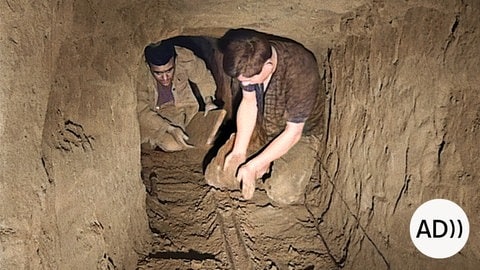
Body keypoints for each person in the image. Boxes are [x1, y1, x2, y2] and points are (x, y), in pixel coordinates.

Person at [206, 28, 325, 205]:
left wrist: (254, 165)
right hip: (263, 126)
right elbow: (248, 102)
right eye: (242, 81)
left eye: (250, 81)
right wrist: (239, 152)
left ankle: (269, 168)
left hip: (299, 136)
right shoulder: (251, 60)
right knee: (216, 176)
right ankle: (258, 160)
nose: (245, 84)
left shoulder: (302, 69)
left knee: (282, 192)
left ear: (268, 66)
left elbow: (293, 133)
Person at [138, 40, 218, 152]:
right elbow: (141, 111)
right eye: (158, 73)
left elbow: (203, 76)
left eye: (169, 70)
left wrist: (208, 101)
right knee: (171, 145)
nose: (165, 78)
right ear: (148, 66)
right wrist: (169, 128)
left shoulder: (185, 57)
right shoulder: (139, 71)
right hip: (153, 116)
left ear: (175, 60)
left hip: (178, 111)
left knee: (207, 136)